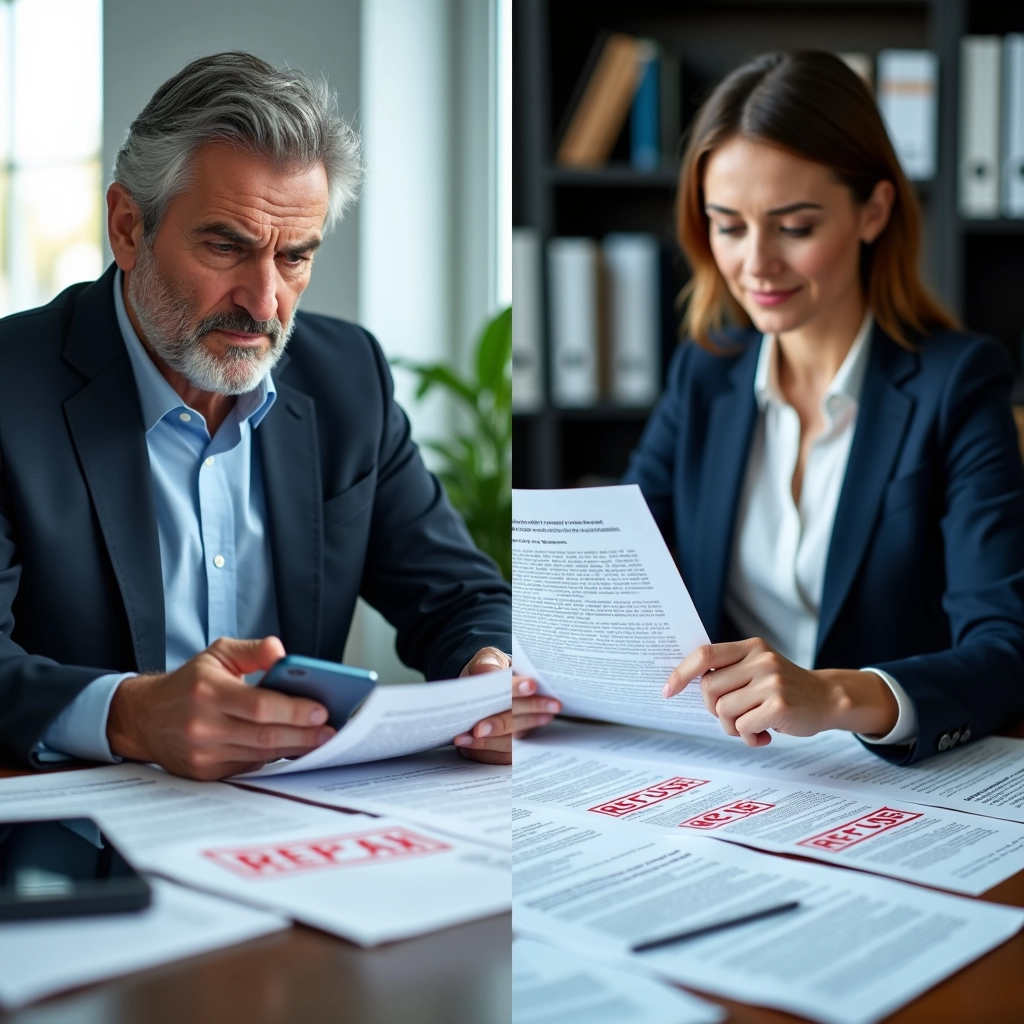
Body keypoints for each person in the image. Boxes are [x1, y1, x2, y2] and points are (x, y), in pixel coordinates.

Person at [0, 52, 512, 778]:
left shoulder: (347, 379)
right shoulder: (10, 389)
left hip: (292, 825)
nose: (265, 302)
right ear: (126, 227)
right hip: (69, 835)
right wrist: (134, 715)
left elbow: (462, 597)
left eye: (295, 256)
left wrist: (490, 667)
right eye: (225, 246)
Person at [514, 50, 1024, 763]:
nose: (756, 263)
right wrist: (539, 659)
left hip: (885, 776)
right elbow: (629, 560)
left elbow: (1005, 648)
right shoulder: (707, 368)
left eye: (794, 226)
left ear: (873, 211)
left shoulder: (958, 382)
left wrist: (836, 695)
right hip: (733, 767)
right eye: (728, 225)